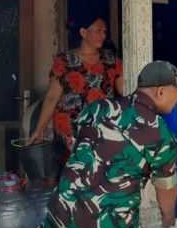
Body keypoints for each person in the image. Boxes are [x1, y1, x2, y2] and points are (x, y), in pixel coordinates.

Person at [19, 61, 177, 228]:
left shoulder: (100, 107)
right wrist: (168, 219)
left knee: (57, 214)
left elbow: (78, 143)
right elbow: (166, 190)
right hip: (112, 225)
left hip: (66, 206)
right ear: (161, 92)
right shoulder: (162, 137)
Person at [28, 13, 124, 154]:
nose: (103, 35)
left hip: (103, 130)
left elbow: (125, 91)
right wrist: (39, 129)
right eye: (98, 31)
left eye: (104, 32)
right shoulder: (64, 61)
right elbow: (52, 97)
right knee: (74, 172)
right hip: (70, 133)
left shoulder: (111, 60)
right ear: (83, 32)